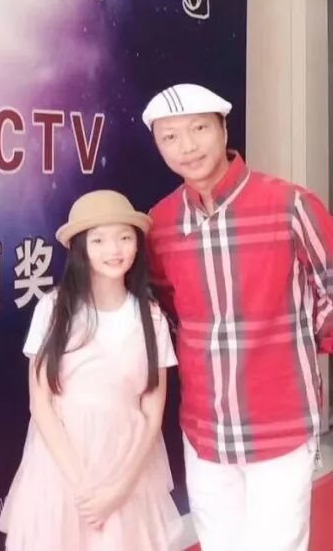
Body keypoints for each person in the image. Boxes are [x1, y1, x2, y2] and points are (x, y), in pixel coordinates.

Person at [143, 82, 333, 551]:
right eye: (170, 137)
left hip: (281, 418)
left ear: (224, 129)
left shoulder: (289, 204)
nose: (187, 147)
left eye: (199, 129)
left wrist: (296, 348)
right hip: (205, 424)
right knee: (219, 542)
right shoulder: (161, 223)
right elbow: (167, 308)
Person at [0, 190, 183, 551]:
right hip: (62, 469)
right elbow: (40, 403)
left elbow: (152, 410)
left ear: (137, 245)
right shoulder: (53, 309)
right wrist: (83, 487)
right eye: (98, 240)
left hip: (128, 469)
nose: (113, 249)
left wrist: (118, 489)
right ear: (80, 248)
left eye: (124, 237)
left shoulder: (151, 317)